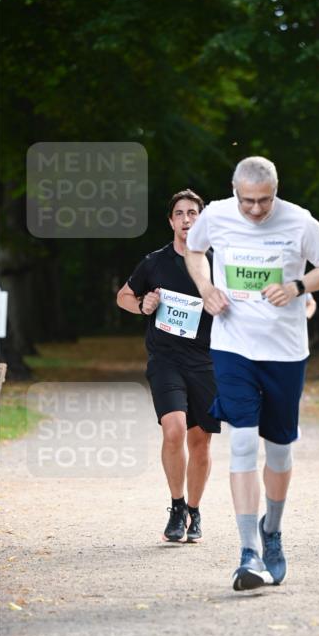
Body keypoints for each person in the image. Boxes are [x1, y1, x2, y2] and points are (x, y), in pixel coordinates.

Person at [185, 156, 319, 591]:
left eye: (264, 200)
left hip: (286, 351)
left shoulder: (299, 221)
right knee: (242, 442)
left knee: (279, 451)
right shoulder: (215, 215)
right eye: (248, 201)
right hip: (232, 345)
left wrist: (297, 287)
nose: (255, 210)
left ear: (276, 190)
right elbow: (194, 251)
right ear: (234, 190)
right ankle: (248, 551)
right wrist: (206, 288)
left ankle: (273, 530)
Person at [117, 189, 221, 542]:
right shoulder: (155, 262)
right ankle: (176, 508)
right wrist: (144, 305)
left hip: (206, 362)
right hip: (165, 360)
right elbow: (124, 296)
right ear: (171, 221)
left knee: (200, 441)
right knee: (174, 429)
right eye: (180, 213)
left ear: (202, 218)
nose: (187, 219)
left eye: (193, 213)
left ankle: (195, 510)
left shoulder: (218, 262)